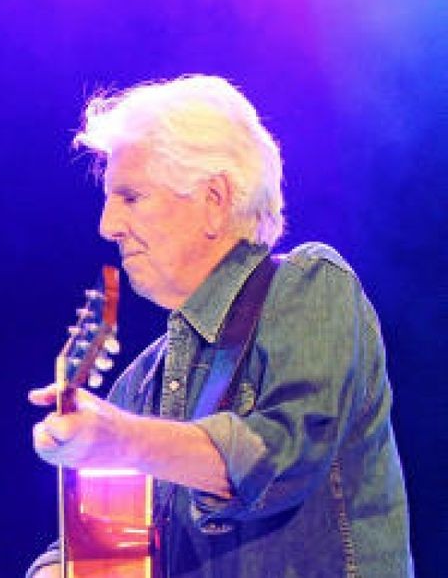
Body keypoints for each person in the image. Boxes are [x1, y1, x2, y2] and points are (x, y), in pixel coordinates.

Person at [26, 75, 413, 576]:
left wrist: (122, 439)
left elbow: (275, 459)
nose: (107, 225)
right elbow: (93, 549)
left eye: (131, 197)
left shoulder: (309, 283)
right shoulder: (140, 382)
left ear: (214, 199)